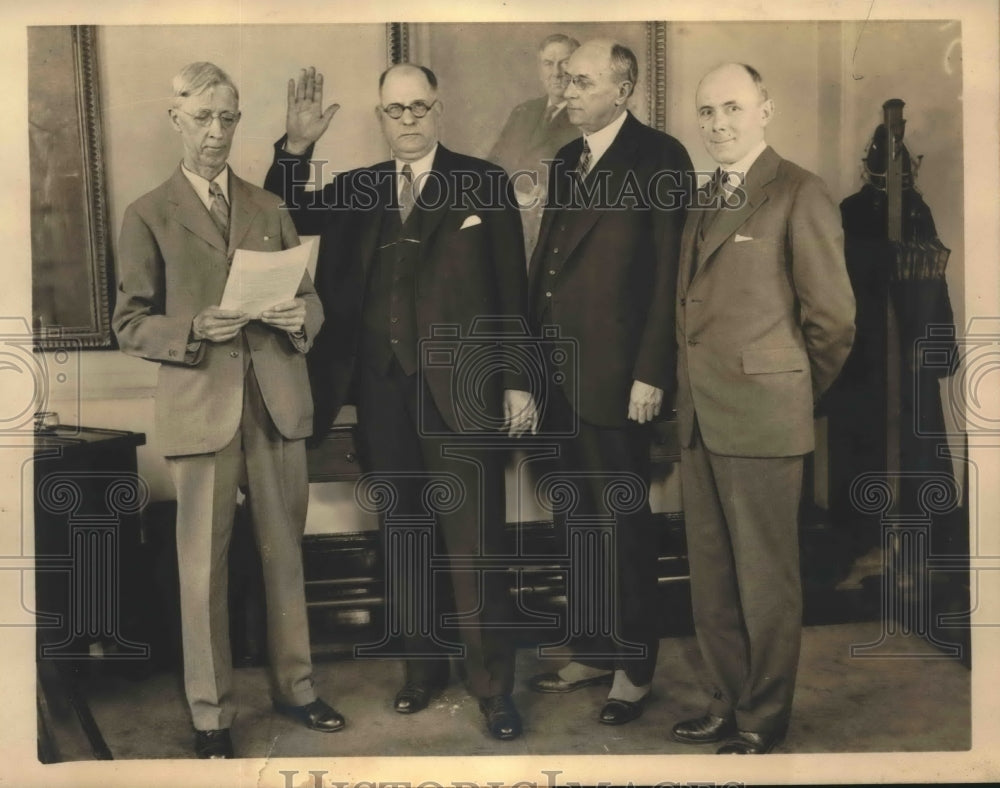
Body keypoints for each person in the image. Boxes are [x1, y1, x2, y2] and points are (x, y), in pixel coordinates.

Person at [263, 64, 536, 741]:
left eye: (419, 107)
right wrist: (294, 150)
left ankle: (495, 687)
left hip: (465, 389)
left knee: (477, 544)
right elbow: (285, 214)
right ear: (381, 118)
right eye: (395, 110)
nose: (408, 119)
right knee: (405, 537)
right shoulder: (358, 189)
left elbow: (512, 288)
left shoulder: (483, 182)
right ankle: (423, 670)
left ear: (438, 110)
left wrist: (519, 379)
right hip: (382, 392)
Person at [113, 62, 340, 759]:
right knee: (202, 570)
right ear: (176, 121)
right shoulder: (147, 213)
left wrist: (295, 314)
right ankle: (210, 714)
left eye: (229, 117)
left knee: (285, 557)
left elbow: (312, 301)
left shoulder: (269, 206)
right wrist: (191, 330)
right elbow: (129, 322)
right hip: (202, 402)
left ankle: (297, 688)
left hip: (275, 404)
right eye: (204, 118)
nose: (217, 132)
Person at [670, 63, 855, 754]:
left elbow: (832, 321)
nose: (718, 123)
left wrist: (790, 392)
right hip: (700, 418)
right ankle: (726, 701)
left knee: (766, 583)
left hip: (764, 418)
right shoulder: (703, 194)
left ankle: (762, 718)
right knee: (712, 578)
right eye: (707, 111)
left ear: (765, 110)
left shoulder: (799, 191)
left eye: (732, 108)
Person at [525, 39, 692, 726]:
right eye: (565, 80)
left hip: (622, 380)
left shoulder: (661, 157)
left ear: (623, 90)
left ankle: (634, 665)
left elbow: (668, 277)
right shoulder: (568, 160)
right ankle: (593, 647)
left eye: (583, 81)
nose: (567, 92)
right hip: (561, 376)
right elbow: (549, 270)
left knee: (622, 526)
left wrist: (652, 372)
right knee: (577, 521)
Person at [488, 33, 582, 258]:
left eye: (565, 63)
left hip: (559, 232)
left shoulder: (586, 117)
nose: (556, 72)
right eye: (548, 64)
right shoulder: (524, 112)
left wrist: (551, 191)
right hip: (513, 224)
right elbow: (493, 166)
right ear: (540, 70)